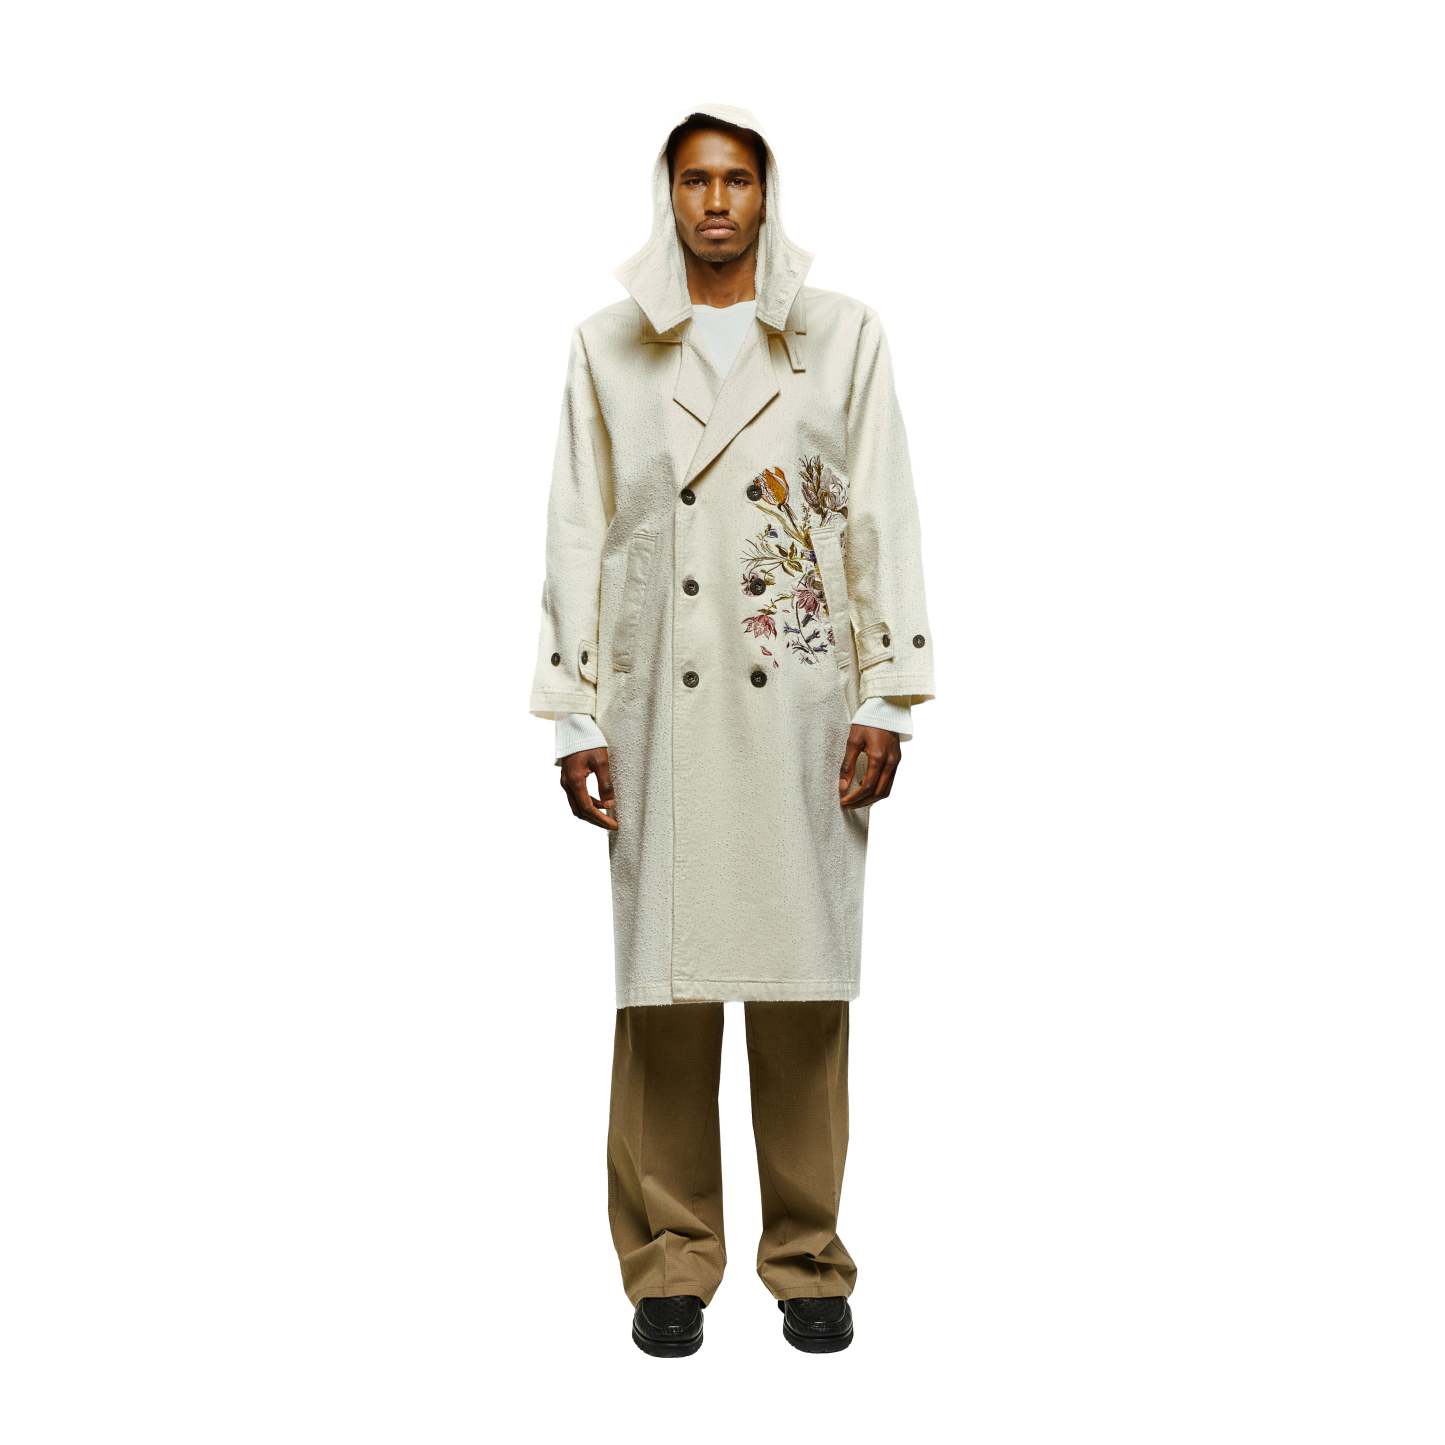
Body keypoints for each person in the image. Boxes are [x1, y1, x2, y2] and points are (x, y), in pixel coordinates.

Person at [528, 103, 936, 1356]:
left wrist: (886, 692)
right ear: (669, 194)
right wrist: (573, 707)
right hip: (659, 695)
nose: (716, 201)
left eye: (738, 179)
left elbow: (878, 510)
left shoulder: (840, 335)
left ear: (766, 194)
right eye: (696, 180)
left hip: (800, 692)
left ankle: (807, 1255)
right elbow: (578, 523)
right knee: (665, 988)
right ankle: (670, 1258)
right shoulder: (607, 345)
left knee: (803, 985)